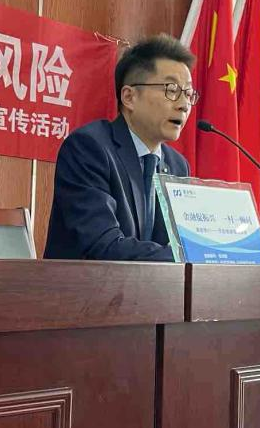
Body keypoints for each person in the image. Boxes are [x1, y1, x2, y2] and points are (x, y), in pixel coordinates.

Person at [44, 34, 194, 261]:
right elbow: (103, 246)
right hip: (86, 284)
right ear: (129, 97)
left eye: (188, 94)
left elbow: (176, 242)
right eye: (171, 90)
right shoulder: (89, 149)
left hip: (150, 285)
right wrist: (190, 256)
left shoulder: (177, 165)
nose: (183, 105)